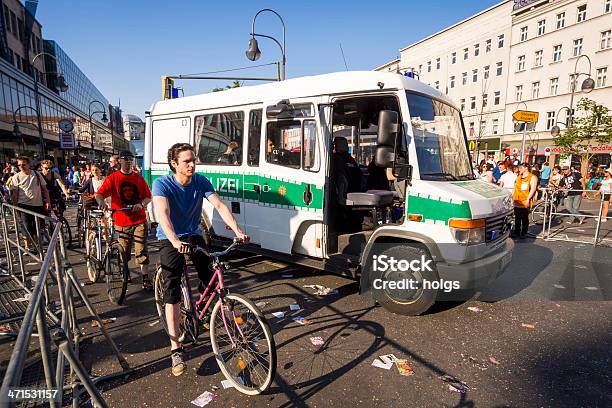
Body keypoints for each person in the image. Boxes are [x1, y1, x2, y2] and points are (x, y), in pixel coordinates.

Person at [152, 143, 248, 377]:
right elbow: (162, 214)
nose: (192, 164)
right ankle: (175, 347)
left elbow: (219, 205)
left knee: (211, 274)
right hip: (170, 237)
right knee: (172, 289)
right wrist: (174, 241)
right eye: (186, 161)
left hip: (193, 234)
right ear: (174, 164)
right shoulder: (162, 184)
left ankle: (203, 311)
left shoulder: (200, 181)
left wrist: (237, 230)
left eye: (193, 160)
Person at [95, 150, 152, 289]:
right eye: (125, 159)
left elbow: (148, 197)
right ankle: (126, 273)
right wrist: (101, 202)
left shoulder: (138, 178)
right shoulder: (113, 178)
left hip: (139, 219)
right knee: (124, 251)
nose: (128, 161)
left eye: (130, 159)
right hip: (121, 221)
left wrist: (141, 204)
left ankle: (145, 278)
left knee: (141, 249)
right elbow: (99, 194)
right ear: (119, 161)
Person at [9, 157, 51, 247]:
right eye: (19, 165)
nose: (21, 166)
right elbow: (14, 194)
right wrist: (16, 207)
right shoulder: (16, 177)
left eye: (23, 164)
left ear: (29, 164)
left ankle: (37, 245)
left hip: (38, 204)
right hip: (24, 205)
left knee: (38, 227)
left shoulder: (36, 174)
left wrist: (48, 202)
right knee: (26, 227)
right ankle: (27, 246)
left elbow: (45, 189)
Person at [512, 163, 538, 239]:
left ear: (526, 168)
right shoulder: (519, 177)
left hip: (525, 200)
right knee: (517, 217)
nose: (519, 170)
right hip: (517, 200)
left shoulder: (532, 177)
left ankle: (524, 232)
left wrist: (528, 199)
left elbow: (533, 189)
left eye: (520, 168)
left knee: (524, 217)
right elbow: (515, 187)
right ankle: (517, 232)